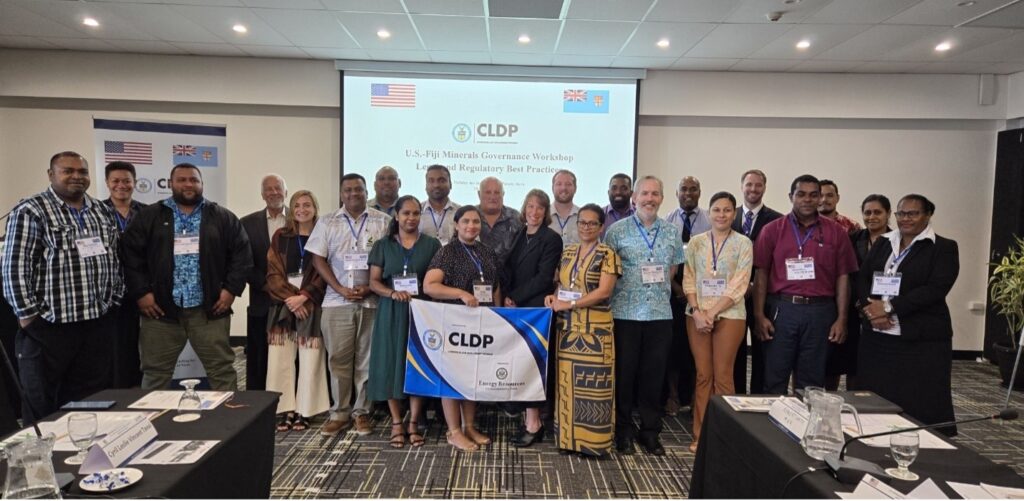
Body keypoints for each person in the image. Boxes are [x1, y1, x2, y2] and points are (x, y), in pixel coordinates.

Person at [2, 151, 124, 423]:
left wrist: (113, 300)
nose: (76, 177)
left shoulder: (102, 211)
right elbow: (14, 267)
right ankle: (46, 461)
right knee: (43, 403)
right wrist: (29, 316)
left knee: (90, 400)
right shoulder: (32, 211)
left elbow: (113, 260)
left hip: (95, 323)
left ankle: (84, 451)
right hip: (49, 327)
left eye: (82, 172)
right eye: (68, 171)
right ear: (51, 175)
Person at [122, 163, 252, 391]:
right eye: (181, 180)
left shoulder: (221, 217)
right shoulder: (150, 216)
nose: (188, 184)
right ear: (171, 183)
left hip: (210, 310)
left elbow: (242, 256)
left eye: (193, 179)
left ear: (202, 184)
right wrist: (142, 293)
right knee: (155, 373)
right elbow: (131, 257)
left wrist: (230, 290)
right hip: (160, 313)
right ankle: (152, 421)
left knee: (221, 370)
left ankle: (230, 423)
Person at [857, 194, 959, 435]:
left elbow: (935, 289)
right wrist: (872, 311)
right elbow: (863, 277)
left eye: (912, 213)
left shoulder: (943, 248)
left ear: (928, 215)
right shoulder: (884, 242)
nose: (905, 219)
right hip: (878, 334)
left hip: (920, 338)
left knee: (920, 398)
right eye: (901, 214)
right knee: (877, 392)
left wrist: (890, 308)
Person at [752, 175, 858, 394]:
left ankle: (806, 427)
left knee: (812, 381)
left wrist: (842, 319)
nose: (807, 200)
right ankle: (772, 428)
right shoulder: (772, 230)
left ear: (819, 198)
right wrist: (759, 315)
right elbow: (761, 273)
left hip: (820, 312)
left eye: (813, 195)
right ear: (791, 197)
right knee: (775, 376)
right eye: (801, 194)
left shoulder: (836, 233)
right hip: (782, 310)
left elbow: (843, 277)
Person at [604, 175, 684, 456]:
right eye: (645, 193)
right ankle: (623, 430)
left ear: (662, 198)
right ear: (634, 198)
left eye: (655, 194)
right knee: (624, 375)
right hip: (625, 314)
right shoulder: (616, 231)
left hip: (660, 314)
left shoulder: (672, 232)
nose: (650, 198)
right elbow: (608, 271)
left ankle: (650, 431)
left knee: (654, 376)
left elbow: (673, 271)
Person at [307, 173, 391, 437]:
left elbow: (390, 258)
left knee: (367, 360)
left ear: (368, 192)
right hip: (336, 301)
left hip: (372, 301)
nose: (354, 194)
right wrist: (339, 288)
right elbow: (318, 260)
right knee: (338, 359)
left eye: (359, 189)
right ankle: (339, 412)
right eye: (348, 190)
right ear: (341, 193)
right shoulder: (326, 221)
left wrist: (369, 287)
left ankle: (362, 413)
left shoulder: (384, 222)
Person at [544, 203, 620, 457]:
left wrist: (572, 303)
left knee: (595, 387)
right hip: (567, 328)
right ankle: (568, 440)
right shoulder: (568, 252)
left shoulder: (608, 254)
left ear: (601, 227)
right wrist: (553, 298)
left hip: (595, 332)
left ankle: (593, 444)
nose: (586, 227)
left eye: (592, 223)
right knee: (567, 385)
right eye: (582, 223)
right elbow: (562, 284)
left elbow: (604, 291)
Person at [424, 205, 502, 452]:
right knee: (452, 377)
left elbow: (495, 286)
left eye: (476, 221)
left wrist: (498, 315)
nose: (471, 226)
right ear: (456, 224)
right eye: (466, 221)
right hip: (454, 323)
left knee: (472, 376)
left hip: (481, 323)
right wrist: (461, 293)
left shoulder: (486, 252)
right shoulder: (447, 253)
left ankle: (469, 426)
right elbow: (429, 286)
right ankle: (454, 431)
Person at [367, 195, 441, 448]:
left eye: (416, 213)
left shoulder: (431, 245)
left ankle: (414, 422)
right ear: (396, 216)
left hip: (421, 312)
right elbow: (373, 282)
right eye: (406, 213)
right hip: (391, 311)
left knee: (417, 365)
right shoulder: (382, 245)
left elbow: (437, 280)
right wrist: (391, 293)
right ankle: (397, 421)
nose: (411, 218)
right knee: (390, 364)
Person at [682, 192, 753, 453]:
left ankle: (724, 436)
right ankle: (700, 435)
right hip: (697, 316)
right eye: (716, 210)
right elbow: (688, 278)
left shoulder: (744, 243)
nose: (721, 215)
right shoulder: (697, 242)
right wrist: (698, 311)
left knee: (723, 377)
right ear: (709, 213)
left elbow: (740, 283)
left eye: (726, 210)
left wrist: (713, 313)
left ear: (733, 214)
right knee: (703, 376)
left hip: (730, 315)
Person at [264, 190, 329, 432]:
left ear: (315, 207)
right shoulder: (281, 236)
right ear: (291, 209)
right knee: (280, 361)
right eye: (297, 205)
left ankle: (305, 410)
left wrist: (304, 297)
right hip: (283, 307)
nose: (302, 209)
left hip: (311, 306)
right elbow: (272, 272)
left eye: (307, 205)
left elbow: (325, 274)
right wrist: (292, 298)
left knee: (311, 360)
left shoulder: (323, 234)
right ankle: (285, 409)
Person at [503, 190, 563, 447]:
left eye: (539, 208)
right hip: (517, 309)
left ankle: (534, 423)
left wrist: (514, 296)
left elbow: (544, 277)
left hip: (536, 311)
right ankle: (529, 419)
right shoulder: (519, 234)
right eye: (530, 206)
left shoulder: (551, 238)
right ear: (524, 209)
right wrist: (505, 295)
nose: (534, 212)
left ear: (546, 211)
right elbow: (509, 269)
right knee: (521, 366)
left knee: (534, 367)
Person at [826, 194, 892, 391]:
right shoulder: (852, 238)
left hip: (882, 310)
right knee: (838, 359)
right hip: (849, 308)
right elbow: (843, 272)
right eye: (867, 213)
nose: (872, 217)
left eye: (877, 212)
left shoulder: (897, 242)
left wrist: (874, 304)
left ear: (888, 214)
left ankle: (861, 402)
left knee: (864, 365)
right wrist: (859, 301)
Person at [731, 169, 783, 394]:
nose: (753, 189)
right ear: (742, 186)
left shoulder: (777, 220)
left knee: (763, 349)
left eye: (758, 185)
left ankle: (760, 397)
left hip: (764, 295)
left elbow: (778, 261)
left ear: (764, 188)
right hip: (733, 296)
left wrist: (754, 284)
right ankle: (737, 396)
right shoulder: (728, 216)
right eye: (749, 185)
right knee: (734, 348)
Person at [664, 176, 710, 416]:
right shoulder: (667, 222)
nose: (688, 193)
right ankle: (672, 396)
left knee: (697, 348)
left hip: (702, 295)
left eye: (693, 189)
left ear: (700, 192)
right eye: (684, 189)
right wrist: (676, 287)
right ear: (677, 192)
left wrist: (692, 292)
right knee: (673, 346)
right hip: (672, 293)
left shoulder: (710, 221)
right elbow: (661, 262)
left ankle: (694, 396)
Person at [240, 174, 288, 391]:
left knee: (289, 356)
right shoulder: (246, 223)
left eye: (278, 188)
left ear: (285, 192)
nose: (273, 192)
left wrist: (287, 291)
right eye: (268, 189)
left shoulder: (299, 220)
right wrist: (268, 285)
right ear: (262, 195)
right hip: (262, 299)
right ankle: (257, 402)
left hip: (293, 301)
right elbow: (243, 262)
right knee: (259, 356)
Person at [103, 161, 147, 388]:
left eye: (127, 181)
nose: (122, 185)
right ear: (107, 183)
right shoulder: (97, 212)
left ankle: (139, 388)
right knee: (115, 345)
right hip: (110, 292)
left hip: (142, 288)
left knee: (145, 344)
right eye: (116, 181)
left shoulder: (148, 213)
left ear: (134, 183)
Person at [477, 177, 522, 266]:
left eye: (497, 193)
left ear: (503, 194)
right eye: (488, 192)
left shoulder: (516, 217)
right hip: (473, 276)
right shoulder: (469, 216)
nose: (493, 197)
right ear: (479, 194)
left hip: (508, 277)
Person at [419, 164, 460, 245]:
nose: (436, 185)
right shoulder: (416, 211)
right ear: (426, 185)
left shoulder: (461, 212)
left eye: (441, 180)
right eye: (431, 181)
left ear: (450, 184)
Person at [550, 170, 581, 245]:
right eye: (559, 184)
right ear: (552, 188)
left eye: (568, 184)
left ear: (575, 188)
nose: (563, 188)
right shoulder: (542, 216)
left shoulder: (584, 216)